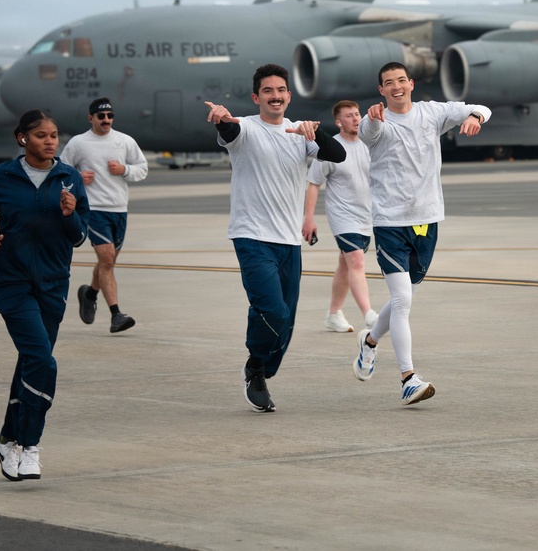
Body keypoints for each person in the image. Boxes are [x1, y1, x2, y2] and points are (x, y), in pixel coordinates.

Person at [206, 63, 345, 413]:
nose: (275, 96)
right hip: (251, 236)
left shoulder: (297, 133)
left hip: (288, 240)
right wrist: (223, 117)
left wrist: (317, 134)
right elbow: (229, 132)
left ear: (288, 95)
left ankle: (263, 372)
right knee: (272, 310)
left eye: (281, 90)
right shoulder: (245, 128)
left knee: (287, 323)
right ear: (256, 97)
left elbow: (338, 156)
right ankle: (255, 366)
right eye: (267, 91)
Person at [352, 61, 490, 405]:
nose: (396, 86)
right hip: (388, 221)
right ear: (381, 90)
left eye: (401, 80)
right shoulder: (376, 120)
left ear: (411, 83)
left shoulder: (432, 113)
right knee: (402, 301)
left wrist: (475, 118)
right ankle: (408, 378)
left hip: (427, 219)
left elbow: (481, 107)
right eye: (388, 83)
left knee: (404, 296)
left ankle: (369, 342)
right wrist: (371, 119)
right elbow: (367, 133)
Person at [0, 109, 89, 481]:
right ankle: (28, 445)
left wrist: (70, 215)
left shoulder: (68, 178)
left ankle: (6, 438)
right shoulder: (1, 176)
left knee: (31, 362)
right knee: (42, 360)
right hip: (12, 283)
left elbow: (80, 235)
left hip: (54, 283)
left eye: (54, 135)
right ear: (22, 138)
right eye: (41, 135)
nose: (50, 140)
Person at [61, 97, 148, 334]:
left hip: (119, 208)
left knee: (106, 262)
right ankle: (116, 315)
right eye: (101, 117)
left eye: (110, 116)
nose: (106, 120)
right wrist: (78, 177)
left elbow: (142, 168)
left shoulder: (124, 141)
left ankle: (89, 293)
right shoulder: (78, 143)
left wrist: (125, 170)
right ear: (91, 118)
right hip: (94, 209)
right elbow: (61, 170)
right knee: (108, 259)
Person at [302, 100, 379, 334]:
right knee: (356, 261)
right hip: (343, 217)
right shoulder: (330, 149)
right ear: (338, 122)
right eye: (349, 116)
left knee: (345, 266)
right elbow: (314, 183)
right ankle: (369, 314)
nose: (356, 119)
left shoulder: (369, 145)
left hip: (366, 216)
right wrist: (309, 218)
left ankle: (333, 314)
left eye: (357, 114)